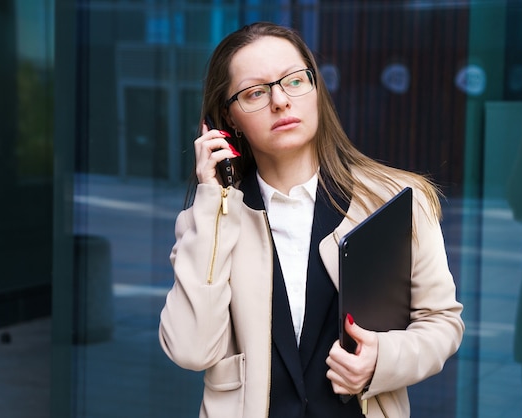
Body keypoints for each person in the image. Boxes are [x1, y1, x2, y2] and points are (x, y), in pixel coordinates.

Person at [159, 22, 464, 418]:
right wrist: (212, 200)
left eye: (294, 81)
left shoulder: (396, 201)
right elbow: (190, 350)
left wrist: (381, 361)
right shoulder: (210, 221)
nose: (280, 101)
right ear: (227, 120)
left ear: (315, 88)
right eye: (255, 92)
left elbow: (441, 322)